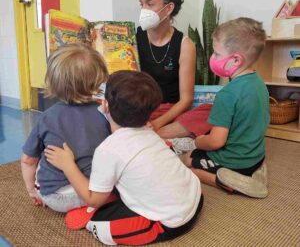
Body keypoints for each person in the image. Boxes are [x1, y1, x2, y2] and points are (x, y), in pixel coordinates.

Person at [45, 70, 203, 246]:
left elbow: (93, 199)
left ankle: (94, 219)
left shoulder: (108, 150)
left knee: (100, 225)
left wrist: (68, 165)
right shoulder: (150, 132)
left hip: (169, 222)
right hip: (195, 196)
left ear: (104, 105)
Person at [171, 17, 270, 198]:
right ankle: (255, 171)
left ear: (235, 60)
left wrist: (199, 141)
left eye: (216, 53)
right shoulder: (260, 83)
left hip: (234, 162)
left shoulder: (227, 94)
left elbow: (216, 142)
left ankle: (228, 182)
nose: (212, 58)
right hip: (256, 157)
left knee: (186, 161)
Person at [21, 44, 112, 212]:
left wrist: (31, 190)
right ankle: (91, 209)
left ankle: (82, 210)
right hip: (96, 191)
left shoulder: (46, 117)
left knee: (41, 158)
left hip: (56, 198)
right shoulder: (105, 112)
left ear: (54, 82)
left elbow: (28, 160)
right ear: (99, 80)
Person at [136, 0, 212, 139]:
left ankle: (152, 135)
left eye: (149, 4)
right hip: (140, 109)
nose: (144, 10)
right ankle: (155, 136)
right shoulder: (134, 37)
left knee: (211, 111)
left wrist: (157, 123)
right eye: (141, 4)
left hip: (169, 112)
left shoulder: (185, 44)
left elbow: (186, 100)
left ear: (168, 8)